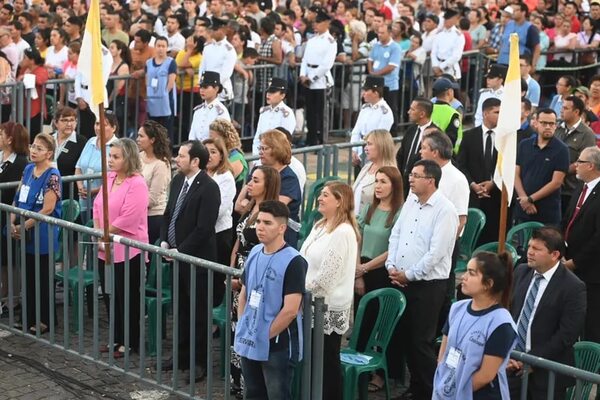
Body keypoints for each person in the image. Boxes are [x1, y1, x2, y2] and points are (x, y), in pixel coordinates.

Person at [385, 159, 459, 399]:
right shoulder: (410, 202)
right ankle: (416, 387)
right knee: (406, 337)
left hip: (428, 285)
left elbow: (436, 254)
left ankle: (430, 391)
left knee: (421, 341)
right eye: (411, 174)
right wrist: (392, 265)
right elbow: (396, 234)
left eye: (416, 175)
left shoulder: (445, 210)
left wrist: (409, 274)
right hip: (401, 278)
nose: (410, 178)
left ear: (431, 180)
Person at [160, 140, 220, 383]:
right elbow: (168, 214)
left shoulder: (209, 187)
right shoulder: (177, 181)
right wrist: (164, 241)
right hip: (177, 257)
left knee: (199, 313)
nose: (177, 158)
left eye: (182, 155)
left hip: (198, 260)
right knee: (182, 309)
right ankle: (181, 355)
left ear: (195, 161)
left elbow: (204, 228)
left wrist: (180, 251)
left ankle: (199, 362)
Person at [234, 200, 307, 400]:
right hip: (250, 338)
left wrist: (265, 335)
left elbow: (291, 310)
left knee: (277, 394)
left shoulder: (294, 261)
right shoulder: (256, 251)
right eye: (258, 222)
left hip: (278, 345)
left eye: (267, 223)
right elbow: (245, 292)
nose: (260, 227)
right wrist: (243, 324)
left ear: (282, 228)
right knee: (253, 392)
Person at [508, 227, 586, 400]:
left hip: (547, 374)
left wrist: (532, 360)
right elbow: (509, 312)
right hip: (512, 366)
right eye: (529, 247)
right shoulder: (521, 271)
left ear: (555, 255)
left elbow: (567, 334)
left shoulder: (573, 287)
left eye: (537, 249)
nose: (529, 252)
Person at [300, 181, 359, 400]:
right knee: (314, 359)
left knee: (327, 361)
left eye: (325, 195)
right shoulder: (319, 225)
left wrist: (300, 291)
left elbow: (327, 278)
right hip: (310, 302)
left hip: (327, 305)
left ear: (339, 201)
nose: (320, 198)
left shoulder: (343, 232)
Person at [434, 252, 517, 399]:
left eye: (471, 273)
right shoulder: (457, 308)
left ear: (488, 284)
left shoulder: (501, 323)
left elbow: (485, 375)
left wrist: (457, 391)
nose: (463, 277)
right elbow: (444, 353)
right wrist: (444, 382)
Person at [94, 138, 149, 357]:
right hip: (104, 245)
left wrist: (107, 233)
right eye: (110, 156)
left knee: (127, 297)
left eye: (116, 157)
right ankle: (115, 337)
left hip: (128, 248)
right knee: (109, 293)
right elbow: (98, 206)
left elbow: (129, 217)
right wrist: (99, 233)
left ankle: (129, 340)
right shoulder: (109, 178)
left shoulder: (137, 183)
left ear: (129, 158)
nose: (111, 160)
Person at [229, 165, 280, 397]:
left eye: (256, 181)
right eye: (250, 179)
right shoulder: (249, 206)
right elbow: (238, 241)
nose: (250, 183)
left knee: (249, 325)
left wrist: (244, 278)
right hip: (238, 272)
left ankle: (249, 385)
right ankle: (236, 380)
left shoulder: (270, 214)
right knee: (236, 327)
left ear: (267, 185)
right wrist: (230, 270)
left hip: (254, 275)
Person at [354, 166, 403, 392]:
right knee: (362, 322)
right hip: (362, 267)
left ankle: (382, 374)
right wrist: (358, 269)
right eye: (376, 182)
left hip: (380, 271)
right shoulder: (370, 208)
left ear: (394, 185)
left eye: (383, 182)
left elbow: (391, 249)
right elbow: (359, 236)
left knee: (380, 324)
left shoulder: (399, 212)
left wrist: (365, 268)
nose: (378, 187)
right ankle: (359, 369)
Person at [11, 133, 61, 334]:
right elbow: (18, 195)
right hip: (25, 228)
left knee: (43, 278)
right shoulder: (28, 169)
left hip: (42, 233)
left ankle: (45, 320)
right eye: (33, 146)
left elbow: (47, 209)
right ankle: (28, 316)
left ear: (49, 153)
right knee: (29, 276)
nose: (33, 150)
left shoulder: (53, 175)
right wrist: (13, 220)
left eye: (39, 148)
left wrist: (25, 226)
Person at [562, 146, 600, 343]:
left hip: (591, 273)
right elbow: (567, 220)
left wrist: (574, 262)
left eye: (580, 161)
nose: (575, 165)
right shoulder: (581, 188)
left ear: (591, 166)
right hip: (569, 262)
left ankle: (590, 370)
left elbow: (597, 240)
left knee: (592, 324)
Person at [458, 98, 504, 246]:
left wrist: (494, 183)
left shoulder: (506, 138)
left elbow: (509, 166)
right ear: (485, 113)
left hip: (496, 196)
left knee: (492, 239)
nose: (500, 115)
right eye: (496, 112)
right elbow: (461, 165)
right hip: (473, 197)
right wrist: (473, 185)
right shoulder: (469, 136)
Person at [514, 108, 569, 225]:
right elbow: (515, 174)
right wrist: (524, 199)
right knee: (520, 243)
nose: (548, 127)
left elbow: (556, 182)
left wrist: (530, 199)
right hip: (522, 209)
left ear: (556, 125)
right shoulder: (524, 145)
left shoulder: (562, 149)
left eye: (551, 123)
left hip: (547, 212)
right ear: (536, 123)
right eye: (544, 123)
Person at [203, 136, 235, 304]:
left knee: (216, 279)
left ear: (222, 155)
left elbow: (218, 210)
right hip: (201, 233)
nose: (209, 156)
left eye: (213, 152)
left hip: (219, 234)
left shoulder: (225, 178)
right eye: (206, 152)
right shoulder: (199, 174)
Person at [0, 122, 28, 310]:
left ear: (10, 139)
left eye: (1, 134)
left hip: (9, 214)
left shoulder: (20, 163)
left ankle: (12, 298)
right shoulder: (2, 157)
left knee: (9, 259)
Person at [299, 8, 336, 146]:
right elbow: (305, 60)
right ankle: (311, 139)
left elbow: (326, 65)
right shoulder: (312, 40)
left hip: (320, 80)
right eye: (315, 22)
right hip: (308, 77)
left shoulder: (330, 41)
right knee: (310, 112)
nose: (315, 25)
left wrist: (312, 77)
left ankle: (321, 140)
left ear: (326, 23)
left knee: (321, 113)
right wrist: (303, 75)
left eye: (319, 22)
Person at [555, 95, 596, 215]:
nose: (561, 110)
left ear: (576, 111)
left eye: (566, 108)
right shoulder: (556, 127)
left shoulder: (586, 134)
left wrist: (560, 172)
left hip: (570, 189)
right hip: (551, 186)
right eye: (562, 107)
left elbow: (584, 161)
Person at [75, 112, 119, 223]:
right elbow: (78, 167)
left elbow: (117, 178)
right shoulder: (90, 141)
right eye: (97, 124)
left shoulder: (119, 146)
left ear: (113, 128)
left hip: (105, 201)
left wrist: (94, 191)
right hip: (84, 200)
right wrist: (80, 186)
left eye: (104, 125)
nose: (99, 128)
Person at [136, 120, 172, 247]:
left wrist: (131, 205)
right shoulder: (138, 157)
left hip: (153, 217)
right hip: (137, 214)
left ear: (152, 140)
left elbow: (152, 198)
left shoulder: (161, 164)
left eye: (141, 136)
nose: (137, 139)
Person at [395, 98, 437, 197]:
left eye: (412, 109)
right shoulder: (411, 130)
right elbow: (401, 154)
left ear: (422, 114)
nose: (408, 112)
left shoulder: (435, 134)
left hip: (421, 187)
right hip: (404, 185)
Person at [350, 76, 394, 168]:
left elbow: (379, 138)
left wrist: (365, 153)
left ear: (376, 92)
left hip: (373, 154)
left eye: (366, 91)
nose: (363, 94)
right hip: (359, 151)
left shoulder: (385, 112)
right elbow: (356, 130)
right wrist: (354, 150)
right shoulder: (365, 108)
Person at [352, 129, 396, 215]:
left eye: (369, 144)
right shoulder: (366, 167)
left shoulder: (390, 172)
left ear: (381, 146)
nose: (365, 148)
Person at [368, 23, 402, 132]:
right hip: (377, 85)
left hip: (389, 84)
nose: (379, 35)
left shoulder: (395, 47)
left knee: (391, 109)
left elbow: (392, 66)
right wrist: (371, 71)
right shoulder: (376, 45)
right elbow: (370, 60)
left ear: (389, 33)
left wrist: (376, 74)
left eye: (382, 33)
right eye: (378, 32)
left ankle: (393, 133)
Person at [252, 77, 296, 156]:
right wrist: (256, 157)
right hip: (261, 156)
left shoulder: (286, 114)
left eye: (273, 92)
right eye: (268, 91)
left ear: (282, 95)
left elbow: (284, 140)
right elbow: (257, 138)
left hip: (277, 157)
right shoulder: (264, 112)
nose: (268, 94)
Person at [199, 17, 237, 102]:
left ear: (223, 30)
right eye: (212, 30)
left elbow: (226, 73)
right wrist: (202, 84)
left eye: (215, 30)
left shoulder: (229, 50)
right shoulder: (207, 47)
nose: (212, 32)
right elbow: (202, 67)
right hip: (207, 92)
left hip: (221, 92)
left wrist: (213, 88)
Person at [146, 36, 177, 139]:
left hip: (166, 101)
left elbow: (171, 82)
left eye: (163, 46)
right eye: (158, 46)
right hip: (152, 100)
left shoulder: (171, 62)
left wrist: (163, 94)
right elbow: (147, 81)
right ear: (155, 47)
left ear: (167, 48)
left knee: (166, 130)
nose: (161, 48)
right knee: (153, 130)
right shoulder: (149, 62)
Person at [52, 106, 86, 200]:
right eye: (64, 120)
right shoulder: (48, 138)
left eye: (72, 120)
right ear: (56, 122)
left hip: (69, 193)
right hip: (48, 190)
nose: (69, 124)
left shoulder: (81, 142)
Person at [176, 34, 204, 141]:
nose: (187, 43)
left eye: (190, 42)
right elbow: (179, 64)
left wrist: (189, 51)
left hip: (192, 91)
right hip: (180, 90)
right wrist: (185, 68)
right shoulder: (182, 52)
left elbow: (182, 64)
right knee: (181, 118)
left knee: (190, 119)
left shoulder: (199, 57)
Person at [189, 71, 231, 142]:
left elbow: (223, 138)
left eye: (205, 87)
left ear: (216, 89)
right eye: (201, 87)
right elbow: (192, 136)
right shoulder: (198, 111)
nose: (202, 90)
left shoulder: (221, 112)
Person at [17, 48, 48, 139]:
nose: (23, 60)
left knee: (33, 137)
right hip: (23, 109)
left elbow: (40, 80)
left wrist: (25, 77)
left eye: (25, 57)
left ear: (32, 60)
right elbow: (18, 80)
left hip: (36, 110)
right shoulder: (24, 69)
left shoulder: (41, 70)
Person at [209, 118, 248, 185]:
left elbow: (222, 180)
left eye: (213, 138)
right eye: (210, 137)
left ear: (225, 138)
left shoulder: (236, 157)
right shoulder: (216, 154)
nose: (210, 141)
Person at [431, 9, 465, 81]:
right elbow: (433, 52)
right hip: (437, 68)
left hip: (450, 70)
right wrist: (435, 66)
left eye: (449, 19)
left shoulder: (458, 35)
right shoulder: (439, 34)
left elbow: (456, 56)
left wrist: (441, 67)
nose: (446, 21)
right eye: (445, 19)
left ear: (455, 20)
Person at [430, 78, 462, 150]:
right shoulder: (453, 113)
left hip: (429, 151)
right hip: (446, 155)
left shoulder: (429, 109)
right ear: (449, 92)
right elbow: (452, 139)